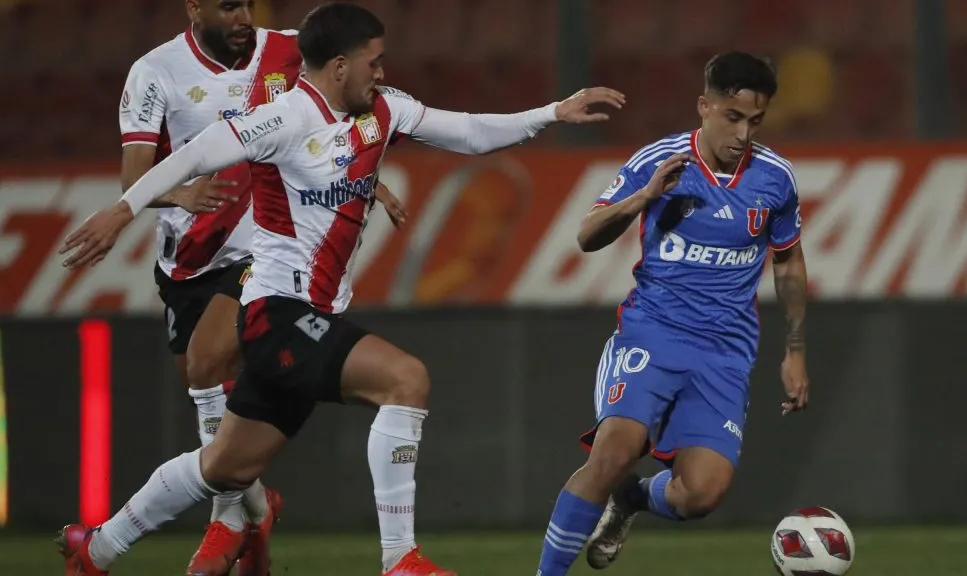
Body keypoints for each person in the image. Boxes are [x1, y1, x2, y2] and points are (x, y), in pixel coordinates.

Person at [56, 2, 625, 575]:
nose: (382, 72)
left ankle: (97, 548)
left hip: (308, 316)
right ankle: (399, 558)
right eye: (372, 62)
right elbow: (200, 153)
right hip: (276, 311)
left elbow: (470, 131)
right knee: (406, 379)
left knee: (223, 466)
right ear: (337, 66)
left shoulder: (384, 111)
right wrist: (122, 210)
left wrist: (553, 111)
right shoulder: (284, 118)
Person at [114, 1, 405, 573]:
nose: (243, 15)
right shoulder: (156, 72)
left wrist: (368, 180)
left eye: (248, 2)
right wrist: (180, 196)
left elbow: (336, 119)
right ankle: (252, 510)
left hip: (263, 244)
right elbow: (135, 174)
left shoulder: (291, 49)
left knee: (205, 362)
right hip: (188, 260)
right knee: (215, 414)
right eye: (227, 5)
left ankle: (223, 524)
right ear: (194, 8)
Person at [533, 51, 810, 576]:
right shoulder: (659, 161)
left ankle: (632, 500)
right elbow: (587, 235)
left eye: (755, 121)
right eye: (733, 117)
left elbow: (789, 260)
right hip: (653, 333)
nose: (743, 133)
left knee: (701, 494)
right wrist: (643, 197)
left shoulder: (776, 179)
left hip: (725, 353)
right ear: (704, 106)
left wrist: (795, 351)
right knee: (615, 451)